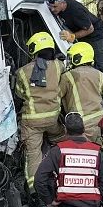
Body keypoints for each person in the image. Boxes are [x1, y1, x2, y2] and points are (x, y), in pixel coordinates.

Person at [14, 31, 64, 188]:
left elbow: (19, 94)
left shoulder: (22, 72)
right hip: (53, 119)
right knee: (61, 138)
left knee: (33, 154)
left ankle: (35, 190)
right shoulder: (58, 66)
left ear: (33, 50)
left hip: (32, 122)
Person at [46, 0, 103, 82]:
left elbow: (90, 29)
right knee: (86, 63)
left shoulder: (76, 11)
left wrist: (72, 36)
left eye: (55, 7)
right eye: (50, 7)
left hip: (95, 34)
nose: (52, 9)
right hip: (83, 34)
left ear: (63, 3)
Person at [58, 42, 103, 142]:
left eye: (71, 57)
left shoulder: (68, 76)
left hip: (79, 125)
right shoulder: (99, 74)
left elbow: (56, 96)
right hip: (99, 123)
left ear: (77, 58)